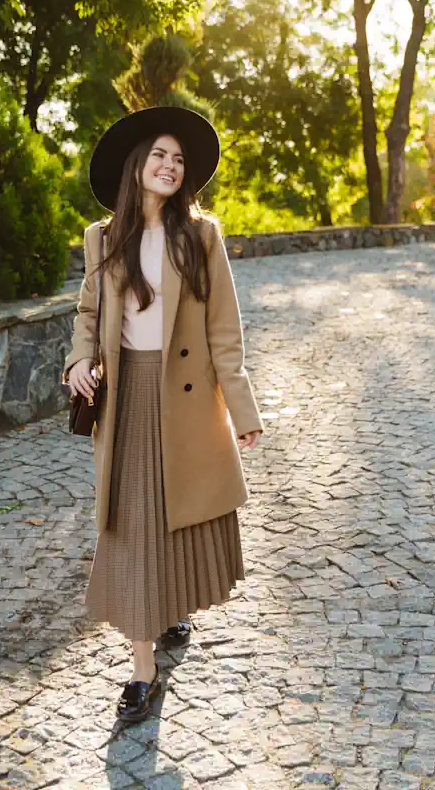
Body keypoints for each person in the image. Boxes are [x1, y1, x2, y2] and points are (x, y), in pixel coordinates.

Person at [63, 107, 263, 723]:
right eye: (160, 156)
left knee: (173, 515)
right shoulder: (103, 238)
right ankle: (142, 673)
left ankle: (165, 613)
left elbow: (224, 331)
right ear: (137, 165)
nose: (170, 166)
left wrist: (242, 407)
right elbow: (88, 319)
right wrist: (76, 365)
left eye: (179, 160)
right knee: (133, 523)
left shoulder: (201, 238)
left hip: (183, 399)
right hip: (124, 400)